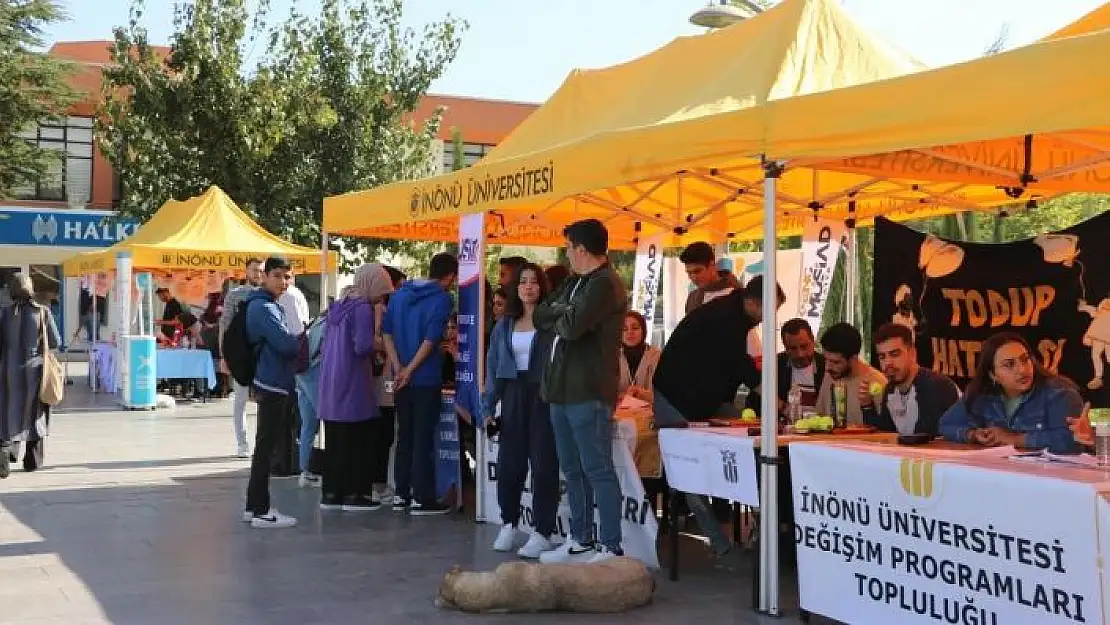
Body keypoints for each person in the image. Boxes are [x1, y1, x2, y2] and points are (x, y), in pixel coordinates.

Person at [652, 276, 783, 563]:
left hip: (705, 399)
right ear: (751, 302)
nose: (765, 320)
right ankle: (719, 542)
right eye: (766, 311)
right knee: (687, 472)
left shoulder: (734, 314)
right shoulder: (726, 318)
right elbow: (739, 363)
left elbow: (734, 365)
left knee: (742, 450)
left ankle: (751, 530)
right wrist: (771, 398)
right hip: (676, 399)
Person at [535, 218, 628, 564]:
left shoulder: (605, 284)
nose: (567, 254)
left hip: (588, 390)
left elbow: (572, 328)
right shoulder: (575, 282)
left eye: (569, 247)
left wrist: (563, 313)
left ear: (582, 249)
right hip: (560, 391)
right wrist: (564, 310)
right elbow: (543, 314)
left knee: (597, 468)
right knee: (572, 469)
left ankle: (611, 544)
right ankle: (581, 538)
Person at [484, 262, 559, 558]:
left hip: (544, 396)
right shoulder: (505, 324)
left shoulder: (551, 323)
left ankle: (542, 531)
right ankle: (509, 522)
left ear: (542, 287)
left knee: (543, 467)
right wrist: (488, 406)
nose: (529, 286)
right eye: (523, 281)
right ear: (516, 288)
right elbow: (493, 366)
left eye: (534, 282)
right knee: (508, 465)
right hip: (513, 394)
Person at [383, 252, 457, 516]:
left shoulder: (401, 293)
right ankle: (422, 498)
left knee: (404, 437)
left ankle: (401, 494)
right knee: (423, 439)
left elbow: (387, 333)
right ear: (449, 276)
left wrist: (399, 368)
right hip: (425, 378)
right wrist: (412, 369)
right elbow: (430, 340)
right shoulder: (442, 299)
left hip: (402, 378)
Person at [317, 263, 395, 511]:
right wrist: (383, 346)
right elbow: (362, 346)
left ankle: (332, 494)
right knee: (358, 439)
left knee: (336, 441)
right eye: (382, 291)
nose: (382, 297)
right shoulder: (362, 308)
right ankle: (356, 494)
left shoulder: (338, 305)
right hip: (353, 381)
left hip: (331, 380)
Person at [940, 333, 1083, 454]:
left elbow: (1071, 440)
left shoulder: (1059, 393)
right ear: (993, 375)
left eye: (1025, 359)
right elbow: (946, 425)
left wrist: (1014, 439)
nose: (1022, 370)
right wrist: (973, 435)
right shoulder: (982, 395)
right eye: (1009, 364)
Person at [242, 257, 304, 529]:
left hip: (270, 380)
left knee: (265, 446)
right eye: (277, 275)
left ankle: (253, 506)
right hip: (272, 382)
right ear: (264, 276)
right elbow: (287, 345)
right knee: (267, 448)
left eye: (287, 277)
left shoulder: (266, 305)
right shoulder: (263, 307)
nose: (283, 282)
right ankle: (261, 510)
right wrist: (298, 338)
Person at [0, 273, 61, 478]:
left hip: (7, 370)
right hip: (35, 371)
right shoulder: (42, 312)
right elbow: (55, 341)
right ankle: (32, 461)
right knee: (35, 413)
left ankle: (5, 458)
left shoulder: (4, 314)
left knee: (7, 412)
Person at [863, 323, 960, 436]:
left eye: (895, 354)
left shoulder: (936, 386)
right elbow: (886, 435)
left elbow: (925, 439)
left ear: (913, 354)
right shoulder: (890, 389)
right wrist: (867, 405)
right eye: (882, 357)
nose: (888, 363)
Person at [370, 266, 406, 503]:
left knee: (386, 432)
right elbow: (376, 341)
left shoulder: (387, 309)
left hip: (386, 379)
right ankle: (379, 484)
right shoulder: (380, 310)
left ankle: (381, 483)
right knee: (383, 432)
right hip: (383, 380)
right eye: (398, 286)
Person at [221, 258, 263, 457]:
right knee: (240, 399)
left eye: (261, 270)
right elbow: (225, 325)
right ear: (246, 272)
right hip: (241, 354)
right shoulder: (235, 295)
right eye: (254, 270)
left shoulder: (269, 294)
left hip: (262, 355)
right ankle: (242, 442)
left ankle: (262, 444)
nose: (258, 274)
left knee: (265, 400)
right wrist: (224, 355)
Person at [815, 323, 886, 426]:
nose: (827, 368)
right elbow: (819, 416)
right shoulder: (831, 375)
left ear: (853, 359)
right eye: (826, 360)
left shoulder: (877, 382)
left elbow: (884, 431)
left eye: (836, 362)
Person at [775, 318, 825, 416]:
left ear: (813, 341)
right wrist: (780, 405)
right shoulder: (775, 365)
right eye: (792, 348)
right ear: (785, 347)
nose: (800, 354)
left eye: (804, 346)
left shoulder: (826, 365)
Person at [680, 241, 739, 315]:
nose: (693, 278)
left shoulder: (735, 295)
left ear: (712, 265)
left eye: (697, 271)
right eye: (689, 273)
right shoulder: (692, 298)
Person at [618, 311, 661, 402]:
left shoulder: (656, 356)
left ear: (643, 330)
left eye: (635, 328)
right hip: (618, 413)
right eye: (624, 329)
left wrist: (640, 393)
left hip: (651, 413)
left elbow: (664, 396)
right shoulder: (613, 357)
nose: (630, 332)